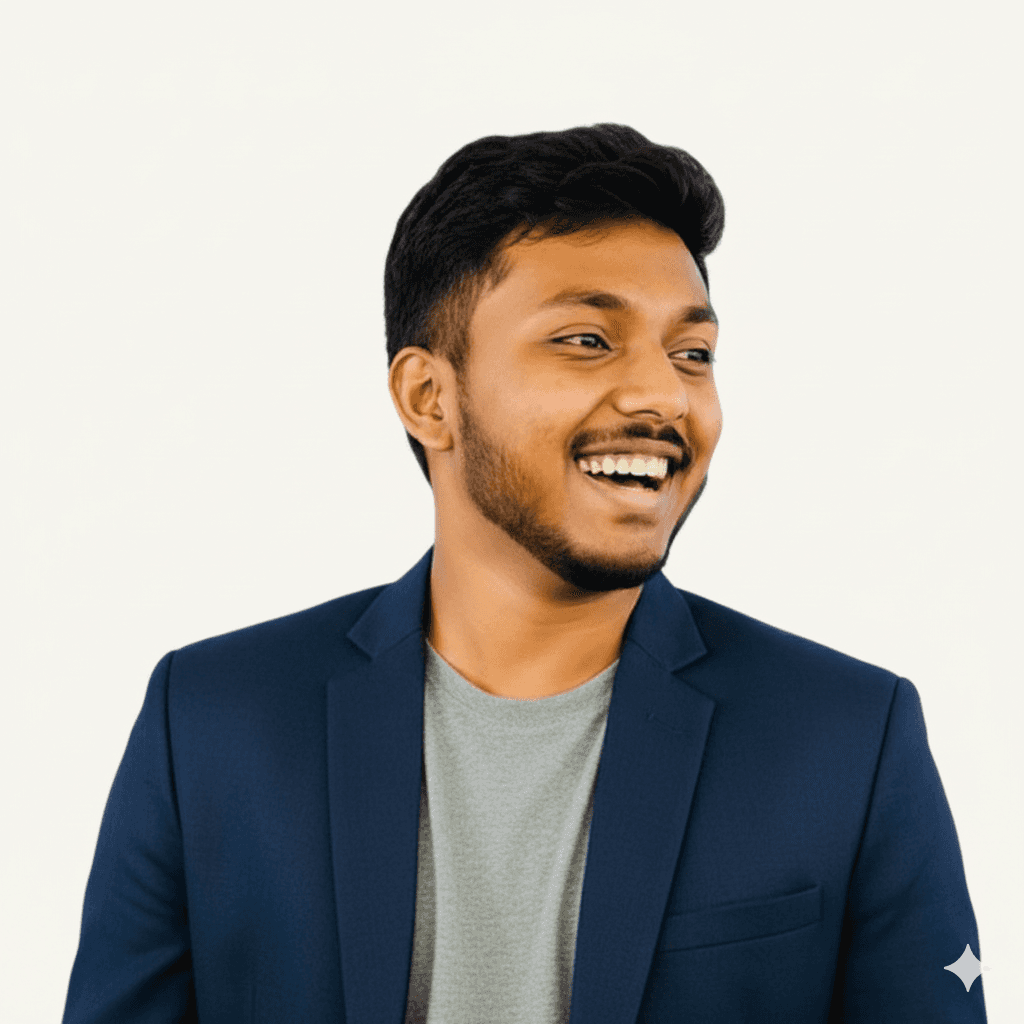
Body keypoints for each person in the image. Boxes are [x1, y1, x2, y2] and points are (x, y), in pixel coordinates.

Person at [63, 124, 986, 1023]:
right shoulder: (211, 722)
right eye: (587, 339)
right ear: (429, 397)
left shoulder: (848, 739)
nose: (664, 394)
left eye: (692, 354)